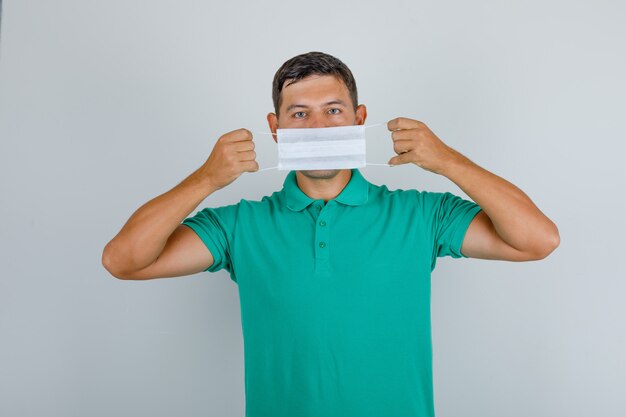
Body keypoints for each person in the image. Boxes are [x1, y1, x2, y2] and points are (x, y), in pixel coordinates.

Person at [102, 51, 560, 417]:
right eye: (299, 114)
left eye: (333, 110)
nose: (318, 127)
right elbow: (123, 260)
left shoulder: (420, 214)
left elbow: (538, 239)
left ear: (359, 119)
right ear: (275, 128)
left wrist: (446, 161)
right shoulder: (239, 224)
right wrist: (205, 179)